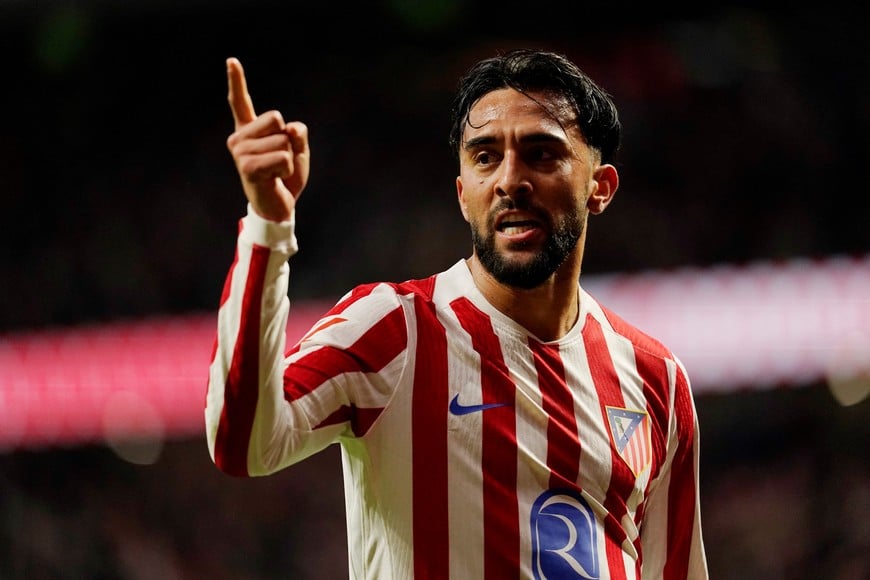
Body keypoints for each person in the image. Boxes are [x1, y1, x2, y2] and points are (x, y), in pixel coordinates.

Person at [205, 48, 709, 579]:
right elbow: (244, 444)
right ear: (463, 193)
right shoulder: (394, 329)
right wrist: (267, 224)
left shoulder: (656, 380)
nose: (510, 179)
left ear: (599, 188)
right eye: (486, 156)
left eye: (541, 153)